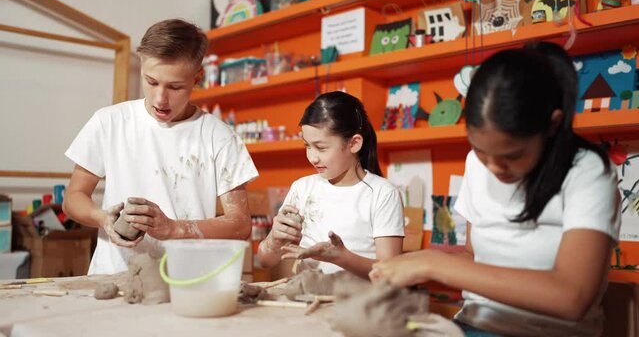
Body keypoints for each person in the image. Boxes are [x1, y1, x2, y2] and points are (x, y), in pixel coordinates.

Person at [370, 42, 621, 336]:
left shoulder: (587, 171)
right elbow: (473, 258)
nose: (493, 167)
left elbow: (571, 296)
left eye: (512, 155)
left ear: (552, 126)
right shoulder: (477, 165)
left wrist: (433, 265)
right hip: (473, 326)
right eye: (480, 151)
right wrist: (412, 262)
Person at [63, 19, 258, 275]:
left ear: (197, 78)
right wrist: (103, 219)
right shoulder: (109, 122)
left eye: (175, 87)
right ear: (141, 64)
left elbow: (240, 225)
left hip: (184, 282)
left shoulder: (219, 137)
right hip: (114, 276)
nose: (160, 99)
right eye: (151, 82)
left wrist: (174, 229)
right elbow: (73, 198)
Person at [257, 91, 405, 278]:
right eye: (307, 146)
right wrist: (274, 240)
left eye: (321, 147)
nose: (312, 157)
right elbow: (265, 261)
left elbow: (391, 272)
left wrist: (341, 257)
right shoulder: (302, 188)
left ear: (354, 143)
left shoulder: (382, 193)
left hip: (359, 301)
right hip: (308, 296)